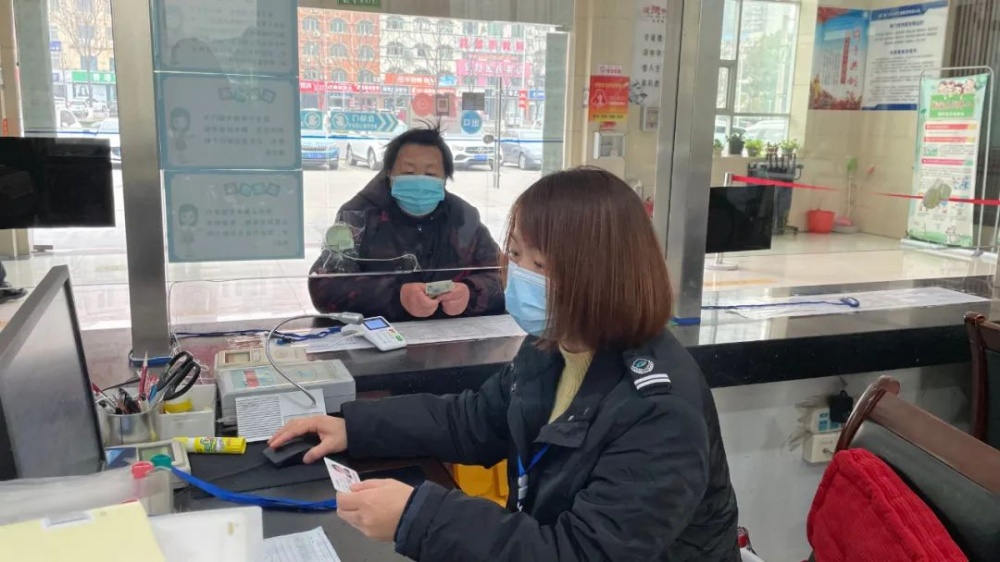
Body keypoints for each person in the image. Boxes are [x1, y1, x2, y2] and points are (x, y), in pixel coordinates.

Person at [274, 168, 740, 561]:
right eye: (515, 253)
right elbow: (473, 421)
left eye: (539, 263)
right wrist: (355, 427)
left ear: (599, 274)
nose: (516, 273)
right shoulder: (554, 346)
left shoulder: (659, 411)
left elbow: (579, 552)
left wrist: (419, 517)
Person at [308, 124, 504, 322]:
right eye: (409, 172)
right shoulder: (358, 216)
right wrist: (396, 296)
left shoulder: (463, 218)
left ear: (445, 178)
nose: (419, 180)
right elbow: (324, 287)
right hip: (380, 335)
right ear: (389, 173)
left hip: (451, 335)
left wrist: (470, 294)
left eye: (430, 174)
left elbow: (503, 276)